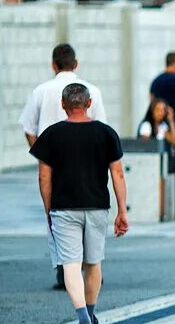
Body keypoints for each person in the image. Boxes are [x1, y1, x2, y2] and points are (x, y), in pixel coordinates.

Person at [30, 83, 128, 324]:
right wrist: (122, 211)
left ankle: (83, 319)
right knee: (93, 262)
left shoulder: (51, 134)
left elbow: (44, 177)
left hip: (64, 207)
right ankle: (91, 313)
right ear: (89, 104)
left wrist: (48, 209)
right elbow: (117, 173)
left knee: (70, 265)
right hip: (97, 206)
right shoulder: (106, 133)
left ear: (63, 105)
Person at [20, 43, 109, 290]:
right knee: (89, 211)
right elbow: (101, 128)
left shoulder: (41, 91)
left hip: (54, 161)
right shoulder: (93, 91)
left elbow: (28, 128)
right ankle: (90, 266)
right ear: (76, 64)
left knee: (55, 214)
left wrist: (41, 154)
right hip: (87, 162)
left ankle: (63, 267)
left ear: (53, 64)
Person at [139, 99, 175, 219]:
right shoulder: (146, 126)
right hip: (153, 166)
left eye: (163, 110)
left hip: (168, 164)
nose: (160, 113)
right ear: (152, 111)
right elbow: (145, 147)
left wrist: (171, 120)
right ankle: (174, 209)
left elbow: (174, 142)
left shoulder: (163, 126)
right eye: (158, 110)